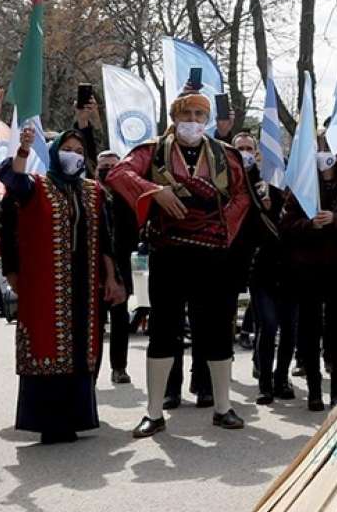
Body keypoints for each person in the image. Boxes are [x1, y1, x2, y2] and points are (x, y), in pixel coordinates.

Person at [107, 91, 250, 437]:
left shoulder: (224, 154)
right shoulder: (152, 150)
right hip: (168, 252)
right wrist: (155, 191)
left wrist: (221, 227)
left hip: (212, 253)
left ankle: (222, 407)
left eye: (201, 115)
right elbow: (118, 175)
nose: (194, 121)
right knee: (163, 331)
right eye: (187, 114)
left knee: (216, 330)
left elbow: (243, 195)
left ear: (208, 120)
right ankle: (154, 413)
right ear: (174, 117)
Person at [0, 127, 124, 444]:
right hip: (46, 283)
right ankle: (47, 421)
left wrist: (111, 277)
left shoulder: (94, 191)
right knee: (47, 344)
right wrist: (24, 152)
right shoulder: (37, 186)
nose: (74, 155)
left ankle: (77, 418)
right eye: (67, 148)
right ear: (55, 152)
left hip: (84, 282)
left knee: (81, 348)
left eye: (79, 151)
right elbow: (12, 182)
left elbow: (106, 239)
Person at [281, 144, 337, 410]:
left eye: (328, 149)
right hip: (308, 269)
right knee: (309, 328)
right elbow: (286, 225)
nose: (323, 155)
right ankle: (313, 390)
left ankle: (336, 390)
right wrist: (311, 224)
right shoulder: (301, 188)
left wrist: (336, 219)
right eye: (318, 149)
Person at [235, 132, 295, 404]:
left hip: (290, 268)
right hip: (261, 270)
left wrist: (276, 203)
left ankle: (282, 378)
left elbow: (293, 218)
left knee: (289, 329)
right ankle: (265, 383)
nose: (247, 152)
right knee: (268, 327)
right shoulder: (241, 184)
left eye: (251, 148)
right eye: (242, 149)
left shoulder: (280, 182)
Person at [96, 149, 136, 385]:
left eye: (114, 166)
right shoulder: (91, 195)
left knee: (120, 320)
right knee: (96, 324)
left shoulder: (127, 198)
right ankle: (92, 370)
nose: (109, 171)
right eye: (104, 167)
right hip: (96, 268)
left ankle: (119, 367)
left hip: (121, 267)